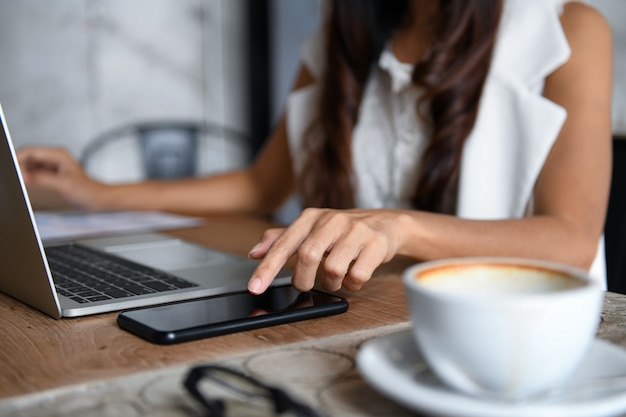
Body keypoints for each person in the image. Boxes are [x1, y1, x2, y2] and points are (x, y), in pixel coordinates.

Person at [17, 0, 613, 296]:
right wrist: (93, 192)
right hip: (372, 315)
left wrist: (399, 228)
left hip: (512, 325)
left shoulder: (567, 27)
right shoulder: (341, 27)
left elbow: (572, 237)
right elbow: (260, 185)